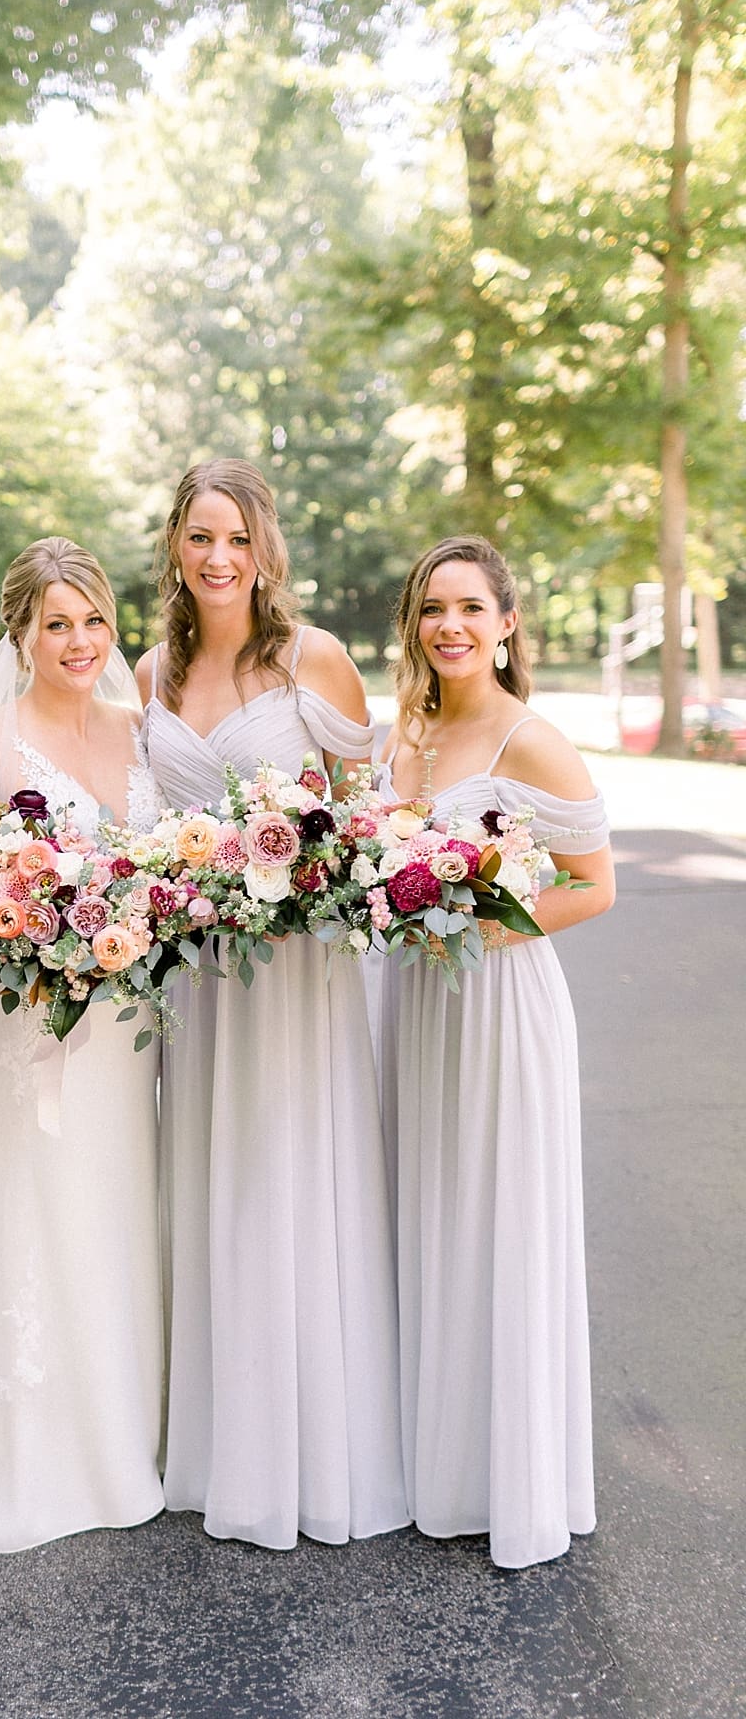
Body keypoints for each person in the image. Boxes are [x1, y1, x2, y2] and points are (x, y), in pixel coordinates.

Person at [136, 459, 408, 1549]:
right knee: (216, 1177)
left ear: (266, 550)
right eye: (200, 537)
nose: (218, 558)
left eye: (238, 539)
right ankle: (219, 1444)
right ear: (174, 546)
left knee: (292, 1175)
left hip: (297, 974)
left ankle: (312, 1444)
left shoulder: (314, 662)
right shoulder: (152, 673)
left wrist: (305, 881)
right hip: (202, 981)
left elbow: (368, 813)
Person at [374, 534, 616, 1569]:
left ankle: (513, 1482)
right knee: (432, 1212)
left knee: (501, 1221)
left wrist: (483, 926)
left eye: (472, 608)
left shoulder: (531, 741)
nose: (451, 627)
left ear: (507, 623)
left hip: (501, 1004)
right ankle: (442, 1461)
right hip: (418, 1005)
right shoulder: (410, 731)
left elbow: (594, 884)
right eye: (434, 609)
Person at [0, 536, 165, 1553]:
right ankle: (41, 1449)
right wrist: (19, 928)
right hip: (29, 1028)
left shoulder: (143, 728)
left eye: (92, 621)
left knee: (120, 1203)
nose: (78, 641)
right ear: (20, 635)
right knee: (41, 1206)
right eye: (55, 623)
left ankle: (131, 1426)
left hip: (130, 1027)